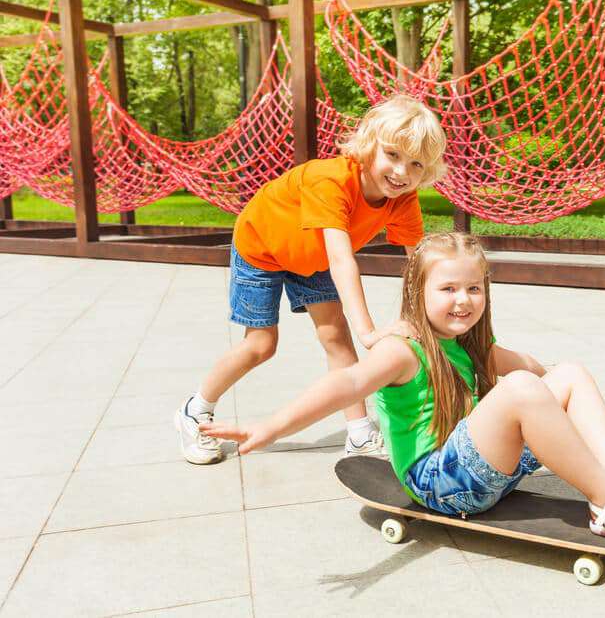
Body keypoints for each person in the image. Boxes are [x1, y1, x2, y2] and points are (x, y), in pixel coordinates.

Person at [202, 233, 605, 543]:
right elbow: (348, 381)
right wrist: (270, 425)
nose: (463, 300)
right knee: (523, 388)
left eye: (474, 288)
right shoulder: (405, 347)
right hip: (439, 484)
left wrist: (561, 384)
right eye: (448, 289)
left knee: (567, 371)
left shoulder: (468, 341)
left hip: (481, 467)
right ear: (418, 292)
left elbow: (529, 366)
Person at [174, 95, 447, 464]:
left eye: (416, 164)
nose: (402, 172)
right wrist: (369, 331)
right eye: (393, 155)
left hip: (312, 256)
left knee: (336, 338)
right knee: (261, 345)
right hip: (262, 246)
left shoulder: (403, 199)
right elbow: (341, 259)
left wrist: (435, 319)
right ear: (369, 145)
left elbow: (420, 265)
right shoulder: (330, 180)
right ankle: (194, 410)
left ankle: (360, 436)